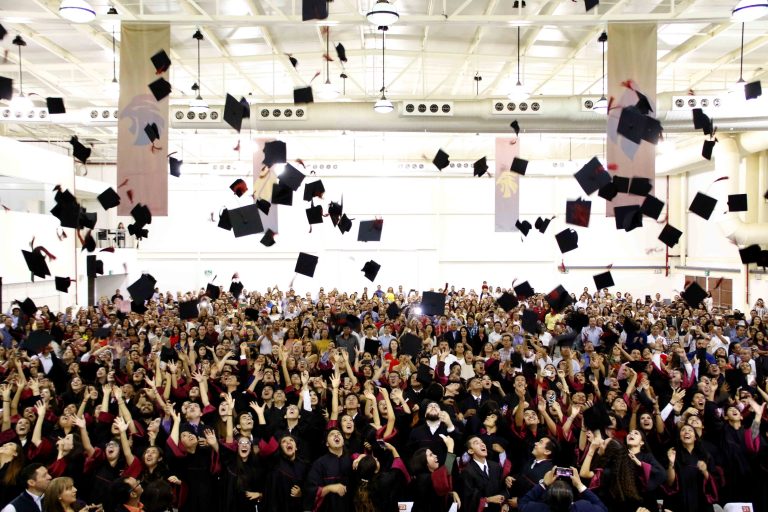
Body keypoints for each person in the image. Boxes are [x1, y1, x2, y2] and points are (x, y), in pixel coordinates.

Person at [518, 467, 608, 512]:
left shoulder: (536, 508)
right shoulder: (583, 507)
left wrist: (543, 484)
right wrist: (580, 485)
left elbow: (522, 503)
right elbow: (603, 508)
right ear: (571, 499)